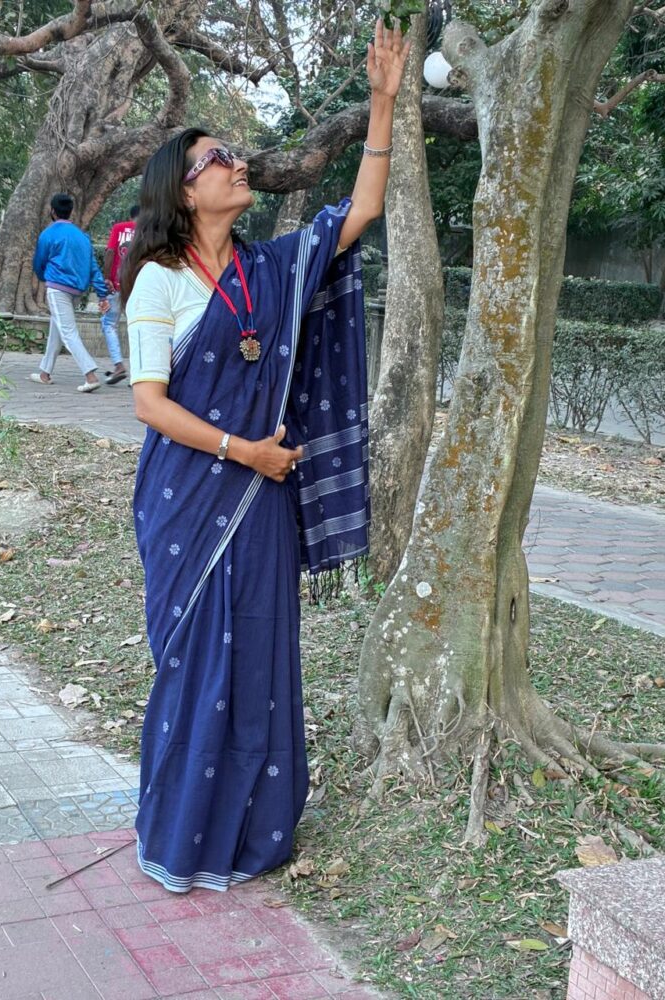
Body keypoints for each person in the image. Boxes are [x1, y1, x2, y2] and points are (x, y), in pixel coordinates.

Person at [122, 19, 409, 893]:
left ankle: (253, 830)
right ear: (183, 188)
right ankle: (181, 832)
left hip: (265, 501)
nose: (237, 164)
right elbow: (148, 401)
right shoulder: (160, 281)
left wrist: (384, 104)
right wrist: (241, 448)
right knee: (196, 658)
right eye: (218, 158)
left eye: (235, 155)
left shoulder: (273, 270)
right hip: (192, 496)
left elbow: (359, 212)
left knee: (261, 652)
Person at [30, 193, 110, 392]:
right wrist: (102, 294)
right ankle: (44, 373)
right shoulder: (82, 236)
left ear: (53, 211)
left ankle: (90, 375)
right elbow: (93, 267)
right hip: (76, 290)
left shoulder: (48, 234)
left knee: (67, 332)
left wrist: (43, 277)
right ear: (71, 211)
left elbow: (39, 262)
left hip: (57, 287)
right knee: (57, 329)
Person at [100, 204, 140, 385]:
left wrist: (107, 277)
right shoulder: (151, 231)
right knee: (139, 327)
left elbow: (110, 252)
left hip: (117, 285)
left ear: (130, 216)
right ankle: (139, 375)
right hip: (140, 286)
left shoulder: (119, 228)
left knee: (109, 324)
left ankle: (118, 365)